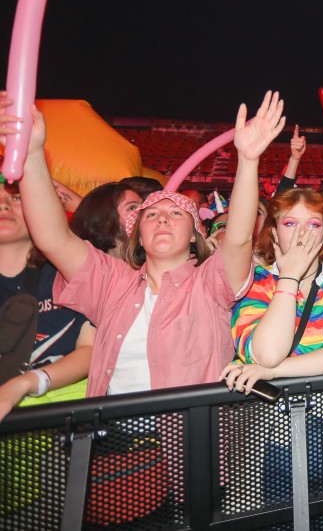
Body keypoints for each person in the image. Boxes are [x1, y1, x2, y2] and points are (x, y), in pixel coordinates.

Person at [8, 91, 284, 395]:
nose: (162, 219)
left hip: (186, 426)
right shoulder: (111, 282)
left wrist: (248, 160)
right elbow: (53, 239)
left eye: (176, 213)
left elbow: (240, 238)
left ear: (194, 234)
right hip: (112, 425)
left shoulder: (210, 284)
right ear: (138, 235)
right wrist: (32, 154)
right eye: (151, 214)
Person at [221, 188, 323, 394]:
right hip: (265, 409)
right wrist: (289, 278)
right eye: (290, 223)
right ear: (275, 233)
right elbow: (267, 355)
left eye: (313, 224)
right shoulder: (255, 281)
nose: (302, 233)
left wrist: (274, 372)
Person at [0, 183, 95, 421]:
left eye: (16, 198)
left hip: (64, 420)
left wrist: (28, 382)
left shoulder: (71, 270)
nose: (3, 205)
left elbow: (90, 350)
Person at [69, 182, 143, 258]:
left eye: (144, 206)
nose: (144, 212)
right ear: (106, 223)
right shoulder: (89, 261)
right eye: (132, 208)